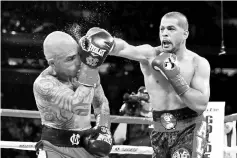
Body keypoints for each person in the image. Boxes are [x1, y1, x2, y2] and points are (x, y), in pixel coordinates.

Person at [81, 11, 211, 157]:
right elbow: (124, 48)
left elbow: (201, 104)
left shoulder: (198, 63)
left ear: (185, 34)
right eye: (162, 29)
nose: (165, 33)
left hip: (190, 128)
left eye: (171, 29)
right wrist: (106, 42)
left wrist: (175, 77)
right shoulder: (150, 55)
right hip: (159, 131)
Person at [33, 28, 115, 158]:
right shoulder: (44, 84)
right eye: (70, 59)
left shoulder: (85, 70)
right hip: (56, 149)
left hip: (88, 144)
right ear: (53, 63)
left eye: (78, 54)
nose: (78, 62)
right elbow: (80, 106)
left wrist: (103, 129)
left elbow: (101, 103)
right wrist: (91, 66)